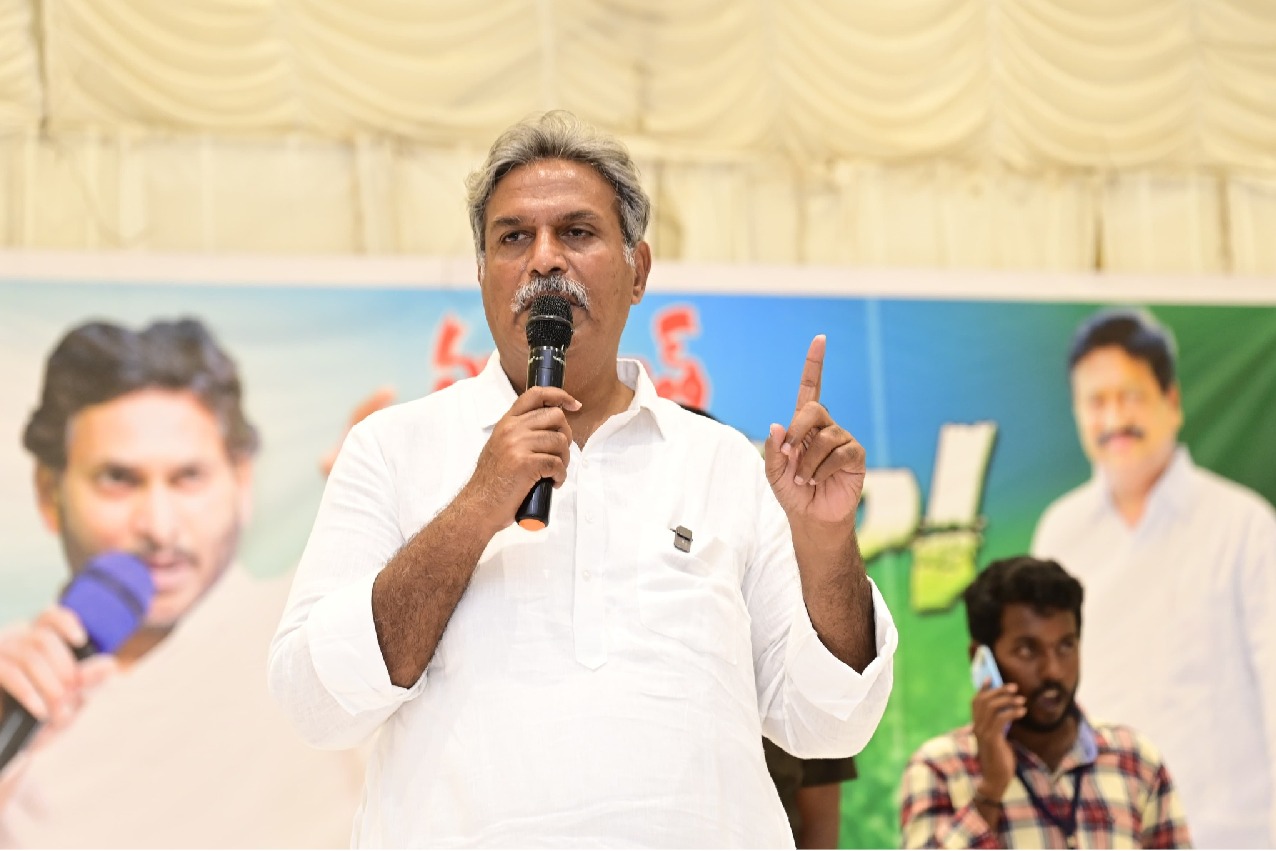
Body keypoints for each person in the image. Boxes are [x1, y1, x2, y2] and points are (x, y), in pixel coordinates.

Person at [268, 110, 897, 847]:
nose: (544, 260)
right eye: (513, 237)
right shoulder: (390, 448)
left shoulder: (723, 462)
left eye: (576, 232)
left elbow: (830, 721)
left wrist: (826, 542)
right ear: (481, 273)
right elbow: (316, 704)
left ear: (638, 271)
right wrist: (478, 505)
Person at [0, 318, 364, 847]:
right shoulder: (14, 689)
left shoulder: (323, 629)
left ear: (242, 482)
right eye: (118, 479)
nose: (159, 526)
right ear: (48, 493)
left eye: (188, 478)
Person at [1032, 307, 1276, 848]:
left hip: (1228, 834)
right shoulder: (1059, 532)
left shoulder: (1243, 526)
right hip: (1100, 831)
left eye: (1131, 395)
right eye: (1096, 401)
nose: (1114, 417)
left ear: (1172, 402)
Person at [898, 555, 1191, 849]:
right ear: (980, 659)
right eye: (1027, 650)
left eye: (1066, 645)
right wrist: (990, 789)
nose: (1053, 671)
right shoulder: (940, 768)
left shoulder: (1134, 759)